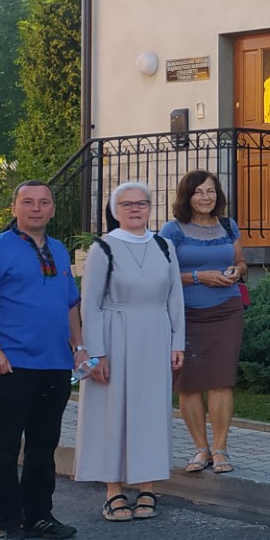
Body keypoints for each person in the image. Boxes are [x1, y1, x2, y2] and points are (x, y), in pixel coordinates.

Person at [0, 180, 86, 540]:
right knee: (5, 446)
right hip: (11, 364)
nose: (36, 208)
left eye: (44, 202)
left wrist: (79, 347)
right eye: (28, 202)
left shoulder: (60, 251)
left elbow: (70, 304)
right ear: (14, 209)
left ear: (52, 209)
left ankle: (38, 515)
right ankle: (7, 523)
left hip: (55, 364)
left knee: (43, 445)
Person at [78, 181, 186, 522]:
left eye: (142, 203)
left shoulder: (164, 246)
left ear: (150, 208)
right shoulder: (103, 248)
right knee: (112, 412)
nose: (135, 209)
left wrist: (177, 342)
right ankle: (113, 489)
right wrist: (97, 353)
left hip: (155, 336)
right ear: (115, 210)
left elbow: (175, 298)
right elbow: (90, 304)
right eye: (127, 204)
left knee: (150, 412)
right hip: (115, 334)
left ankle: (147, 486)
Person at [159, 171, 245, 474]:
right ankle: (201, 448)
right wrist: (199, 276)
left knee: (221, 379)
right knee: (190, 382)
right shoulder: (172, 230)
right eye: (198, 192)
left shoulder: (228, 225)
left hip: (227, 310)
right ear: (187, 196)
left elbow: (241, 262)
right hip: (186, 314)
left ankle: (220, 449)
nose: (205, 197)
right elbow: (162, 273)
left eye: (210, 191)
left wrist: (237, 271)